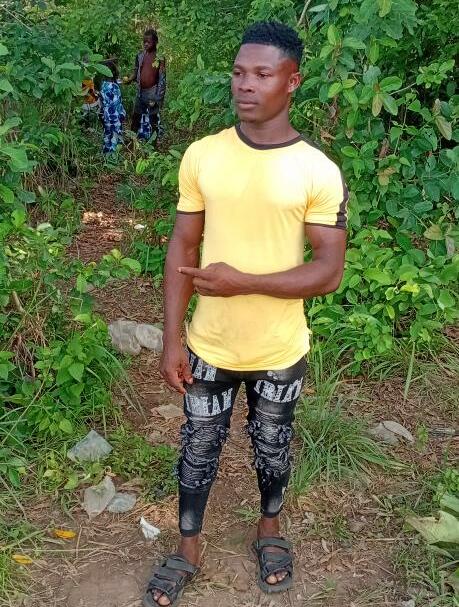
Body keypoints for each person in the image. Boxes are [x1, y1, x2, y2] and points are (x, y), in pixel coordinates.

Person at [144, 21, 348, 607]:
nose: (246, 85)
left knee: (273, 444)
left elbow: (328, 271)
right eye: (238, 72)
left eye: (262, 74)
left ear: (293, 81)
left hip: (279, 348)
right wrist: (172, 338)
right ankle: (188, 548)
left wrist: (244, 283)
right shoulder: (204, 155)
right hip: (209, 343)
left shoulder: (316, 169)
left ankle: (269, 530)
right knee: (197, 447)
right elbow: (182, 246)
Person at [123, 28, 166, 142]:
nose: (146, 44)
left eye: (149, 42)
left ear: (155, 42)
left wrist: (157, 98)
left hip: (152, 92)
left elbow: (162, 79)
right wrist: (129, 79)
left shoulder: (160, 58)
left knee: (153, 120)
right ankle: (132, 140)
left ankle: (153, 144)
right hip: (141, 92)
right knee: (136, 117)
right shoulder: (140, 55)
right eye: (144, 42)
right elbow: (136, 71)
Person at [99, 60, 126, 154]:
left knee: (107, 135)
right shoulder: (113, 86)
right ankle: (113, 157)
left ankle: (106, 154)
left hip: (106, 114)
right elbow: (116, 103)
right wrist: (122, 113)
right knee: (115, 136)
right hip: (114, 115)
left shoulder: (103, 85)